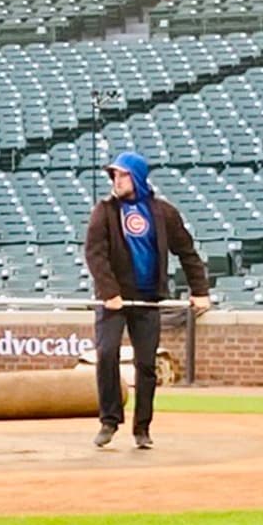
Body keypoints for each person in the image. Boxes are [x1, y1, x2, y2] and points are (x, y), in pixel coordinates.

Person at [85, 152, 210, 449]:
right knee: (106, 353)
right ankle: (109, 420)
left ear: (137, 177)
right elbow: (95, 254)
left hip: (147, 298)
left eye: (123, 175)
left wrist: (200, 290)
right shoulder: (104, 211)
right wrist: (109, 293)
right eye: (114, 175)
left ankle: (143, 427)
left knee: (146, 365)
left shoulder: (163, 212)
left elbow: (187, 252)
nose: (117, 180)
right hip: (113, 299)